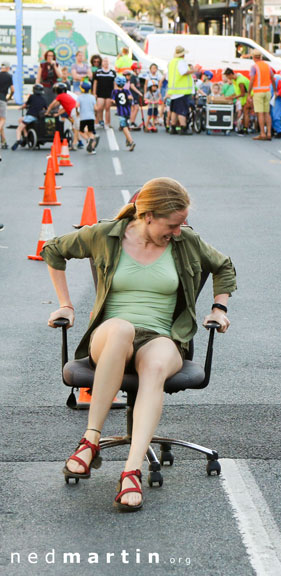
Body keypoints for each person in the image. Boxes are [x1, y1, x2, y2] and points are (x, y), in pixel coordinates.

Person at [42, 177, 235, 512]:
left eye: (182, 225)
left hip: (161, 336)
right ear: (147, 216)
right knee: (120, 330)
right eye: (172, 225)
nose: (177, 232)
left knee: (158, 362)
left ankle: (131, 470)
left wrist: (219, 308)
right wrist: (65, 304)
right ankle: (90, 440)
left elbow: (223, 266)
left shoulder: (185, 241)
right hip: (111, 336)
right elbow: (53, 250)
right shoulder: (107, 235)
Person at [249, 49, 277, 141]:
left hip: (258, 92)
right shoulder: (267, 66)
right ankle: (269, 133)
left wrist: (249, 93)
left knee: (260, 113)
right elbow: (273, 78)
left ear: (253, 57)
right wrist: (275, 90)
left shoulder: (254, 67)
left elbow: (252, 79)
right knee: (267, 113)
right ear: (260, 57)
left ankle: (262, 133)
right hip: (267, 91)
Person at [167, 45, 193, 135]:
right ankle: (183, 127)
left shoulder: (172, 62)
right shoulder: (181, 62)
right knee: (182, 110)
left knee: (174, 110)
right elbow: (183, 72)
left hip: (174, 90)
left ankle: (173, 127)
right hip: (182, 91)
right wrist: (193, 70)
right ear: (183, 55)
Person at [11, 84, 46, 150]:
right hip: (38, 117)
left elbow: (25, 105)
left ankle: (18, 141)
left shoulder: (32, 97)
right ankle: (25, 134)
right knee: (20, 120)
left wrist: (20, 108)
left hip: (30, 116)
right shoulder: (43, 99)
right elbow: (45, 109)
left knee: (18, 129)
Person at [45, 82, 78, 149]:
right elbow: (64, 108)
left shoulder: (60, 96)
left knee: (77, 128)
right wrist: (57, 114)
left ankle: (84, 140)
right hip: (75, 110)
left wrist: (47, 112)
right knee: (75, 126)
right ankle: (77, 142)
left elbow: (52, 105)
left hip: (74, 111)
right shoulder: (66, 95)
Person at [112, 76, 136, 151]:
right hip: (127, 111)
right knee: (126, 124)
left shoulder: (114, 92)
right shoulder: (127, 91)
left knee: (124, 127)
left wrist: (116, 102)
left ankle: (131, 141)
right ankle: (128, 140)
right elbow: (130, 98)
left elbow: (113, 101)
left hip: (121, 111)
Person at [93, 57, 116, 128]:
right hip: (100, 93)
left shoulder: (112, 72)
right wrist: (94, 93)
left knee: (107, 108)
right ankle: (98, 121)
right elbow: (95, 83)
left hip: (109, 93)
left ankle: (107, 123)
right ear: (102, 63)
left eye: (107, 61)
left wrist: (114, 94)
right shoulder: (98, 72)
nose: (105, 63)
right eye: (104, 61)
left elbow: (114, 84)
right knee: (99, 107)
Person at [76, 81, 99, 153]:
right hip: (91, 117)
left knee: (81, 131)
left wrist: (77, 112)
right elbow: (96, 108)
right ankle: (92, 149)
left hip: (83, 117)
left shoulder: (79, 97)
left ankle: (88, 140)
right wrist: (95, 114)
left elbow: (77, 106)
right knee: (90, 132)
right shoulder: (92, 97)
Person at [0, 61, 14, 149]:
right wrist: (9, 97)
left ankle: (4, 142)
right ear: (8, 68)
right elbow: (13, 90)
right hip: (2, 99)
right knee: (2, 119)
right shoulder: (9, 76)